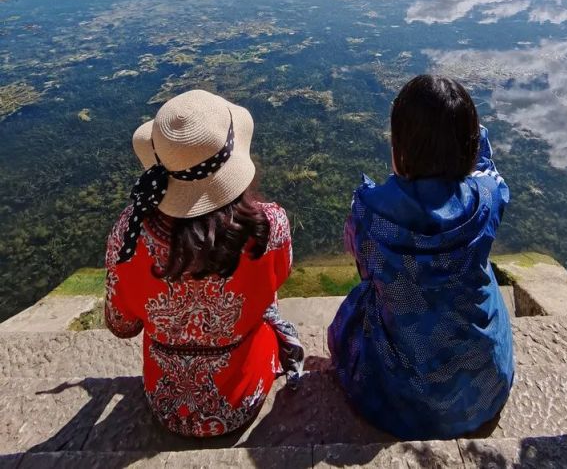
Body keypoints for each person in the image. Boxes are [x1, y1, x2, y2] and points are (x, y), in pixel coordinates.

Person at [104, 89, 303, 438]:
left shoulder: (128, 237)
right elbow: (278, 278)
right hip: (242, 397)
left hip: (166, 405)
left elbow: (121, 325)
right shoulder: (269, 226)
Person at [328, 75, 514, 440]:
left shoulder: (369, 214)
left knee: (363, 302)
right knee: (482, 270)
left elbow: (366, 273)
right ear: (469, 146)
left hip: (399, 397)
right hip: (482, 386)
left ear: (399, 149)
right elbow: (486, 168)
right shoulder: (488, 199)